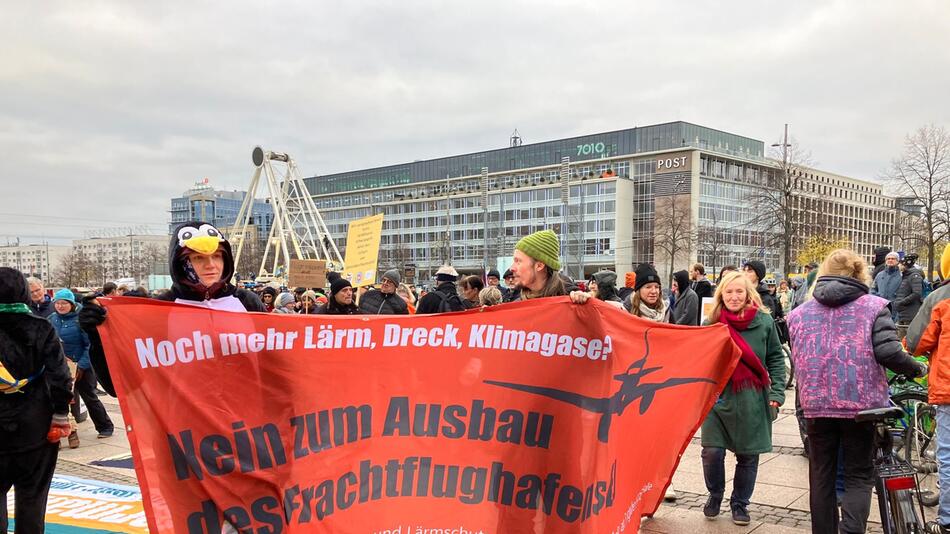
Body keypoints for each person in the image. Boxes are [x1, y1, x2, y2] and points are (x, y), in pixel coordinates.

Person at [788, 249, 927, 534]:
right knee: (858, 476)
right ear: (860, 273)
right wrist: (917, 369)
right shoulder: (873, 306)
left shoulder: (799, 313)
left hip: (815, 405)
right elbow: (889, 352)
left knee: (821, 477)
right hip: (861, 408)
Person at [79, 221, 265, 397]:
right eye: (198, 258)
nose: (211, 265)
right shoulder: (160, 309)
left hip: (248, 418)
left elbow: (274, 364)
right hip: (186, 421)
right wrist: (100, 338)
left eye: (217, 256)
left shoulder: (246, 302)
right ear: (181, 262)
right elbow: (121, 386)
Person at [700, 270, 786, 525]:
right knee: (712, 451)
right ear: (721, 295)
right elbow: (700, 361)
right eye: (729, 292)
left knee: (748, 455)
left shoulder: (764, 321)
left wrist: (778, 392)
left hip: (752, 397)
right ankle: (715, 494)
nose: (734, 296)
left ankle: (740, 503)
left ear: (749, 294)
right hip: (719, 396)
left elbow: (775, 359)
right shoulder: (711, 323)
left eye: (740, 291)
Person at [0, 268, 73, 534]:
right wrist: (61, 414)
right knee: (32, 498)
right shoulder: (41, 327)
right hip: (35, 427)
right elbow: (60, 375)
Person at [906, 245, 950, 534]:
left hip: (948, 388)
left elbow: (916, 341)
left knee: (948, 456)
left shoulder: (940, 297)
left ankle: (947, 520)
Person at [48, 289, 114, 440]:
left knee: (89, 396)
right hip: (62, 365)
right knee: (63, 398)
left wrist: (82, 365)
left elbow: (89, 344)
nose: (60, 306)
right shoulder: (52, 319)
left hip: (83, 364)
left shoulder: (81, 319)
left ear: (71, 304)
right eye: (57, 303)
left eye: (64, 303)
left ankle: (105, 426)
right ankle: (69, 431)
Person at [509, 230, 567, 300]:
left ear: (539, 266)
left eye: (518, 261)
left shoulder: (572, 303)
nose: (511, 268)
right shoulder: (518, 306)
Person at [894, 253, 924, 326]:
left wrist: (902, 302)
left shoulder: (914, 275)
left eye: (900, 264)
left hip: (910, 314)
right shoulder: (906, 275)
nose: (898, 266)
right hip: (904, 314)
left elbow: (917, 293)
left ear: (905, 264)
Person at [871, 251, 902, 319]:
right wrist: (877, 299)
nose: (890, 260)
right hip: (880, 308)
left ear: (897, 261)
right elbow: (872, 289)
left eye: (893, 259)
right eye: (888, 258)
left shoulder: (901, 276)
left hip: (895, 310)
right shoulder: (879, 275)